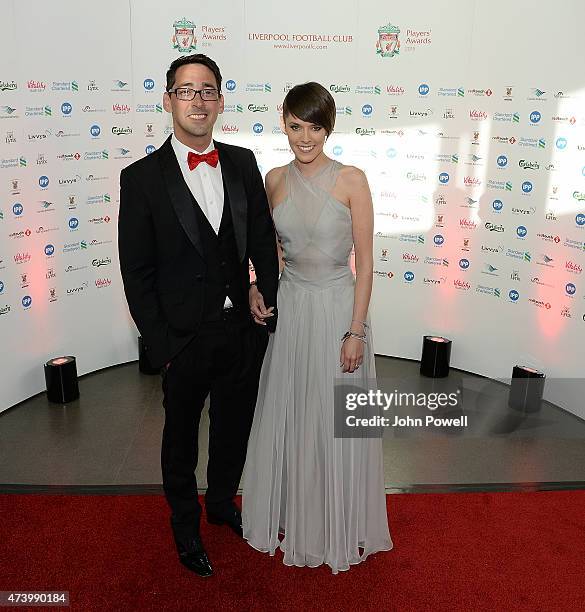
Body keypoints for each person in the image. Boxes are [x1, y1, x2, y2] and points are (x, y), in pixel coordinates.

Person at [118, 54, 279, 577]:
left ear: (220, 102)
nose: (198, 100)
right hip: (182, 340)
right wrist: (163, 345)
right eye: (187, 90)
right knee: (180, 440)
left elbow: (259, 239)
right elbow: (137, 273)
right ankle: (184, 522)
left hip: (240, 331)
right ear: (168, 100)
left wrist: (263, 298)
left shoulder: (241, 161)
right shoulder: (140, 179)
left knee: (234, 428)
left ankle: (219, 504)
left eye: (207, 90)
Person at [242, 82, 393, 574]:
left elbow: (366, 265)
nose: (304, 138)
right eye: (294, 126)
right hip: (292, 306)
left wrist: (357, 331)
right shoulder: (273, 180)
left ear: (329, 128)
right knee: (294, 412)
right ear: (283, 122)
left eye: (314, 127)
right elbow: (273, 253)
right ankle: (300, 514)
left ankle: (339, 521)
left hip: (336, 309)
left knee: (335, 421)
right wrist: (257, 287)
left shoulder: (352, 179)